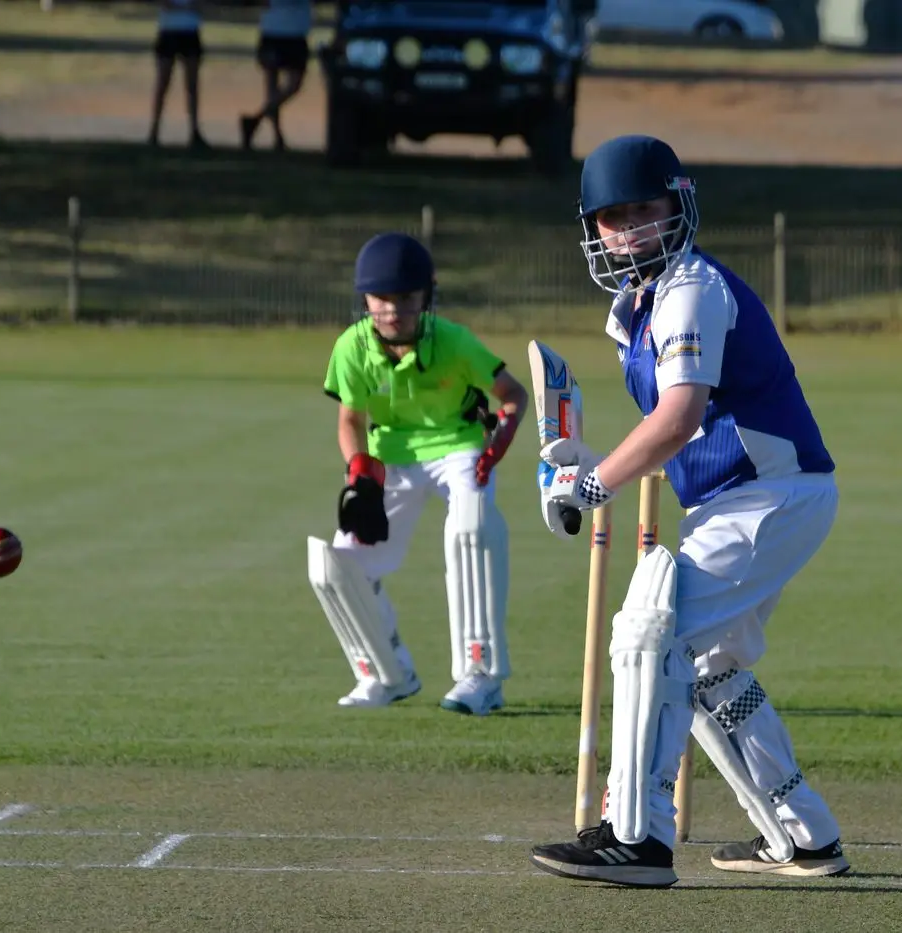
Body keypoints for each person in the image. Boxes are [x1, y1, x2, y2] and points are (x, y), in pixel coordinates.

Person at [527, 134, 850, 888]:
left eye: (644, 210)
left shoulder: (690, 289)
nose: (629, 230)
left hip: (768, 495)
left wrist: (594, 487)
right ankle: (802, 834)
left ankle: (635, 835)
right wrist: (583, 463)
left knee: (650, 633)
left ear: (677, 206)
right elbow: (675, 432)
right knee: (709, 669)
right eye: (613, 218)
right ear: (593, 228)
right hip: (738, 500)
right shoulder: (635, 310)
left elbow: (677, 419)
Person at [305, 232, 528, 717]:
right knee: (339, 565)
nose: (393, 310)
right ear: (365, 300)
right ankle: (385, 674)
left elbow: (514, 394)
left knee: (470, 530)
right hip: (391, 456)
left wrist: (501, 439)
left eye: (406, 298)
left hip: (461, 448)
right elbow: (350, 419)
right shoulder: (351, 347)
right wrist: (359, 469)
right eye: (381, 298)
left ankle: (481, 676)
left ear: (426, 297)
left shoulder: (453, 341)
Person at [240, 0, 312, 151]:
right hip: (273, 30)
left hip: (295, 32)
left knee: (293, 85)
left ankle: (256, 119)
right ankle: (277, 135)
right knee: (272, 86)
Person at [149, 0, 209, 149]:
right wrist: (186, 7)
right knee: (163, 83)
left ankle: (194, 130)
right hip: (169, 30)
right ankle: (154, 130)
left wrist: (180, 7)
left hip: (190, 30)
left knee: (192, 85)